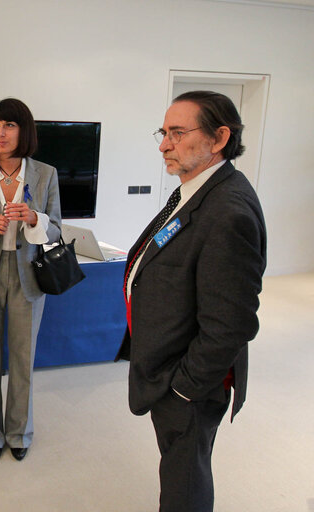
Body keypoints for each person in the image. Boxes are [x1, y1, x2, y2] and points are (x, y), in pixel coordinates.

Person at [116, 90, 267, 511]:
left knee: (184, 485)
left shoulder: (227, 212)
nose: (164, 144)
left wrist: (183, 389)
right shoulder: (196, 189)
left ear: (219, 138)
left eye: (178, 133)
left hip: (187, 383)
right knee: (178, 469)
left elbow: (232, 324)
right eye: (163, 133)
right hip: (167, 362)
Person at [0, 98, 62, 462]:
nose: (1, 133)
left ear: (24, 130)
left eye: (10, 125)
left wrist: (34, 218)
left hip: (28, 273)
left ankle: (19, 432)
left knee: (23, 357)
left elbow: (56, 229)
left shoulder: (45, 174)